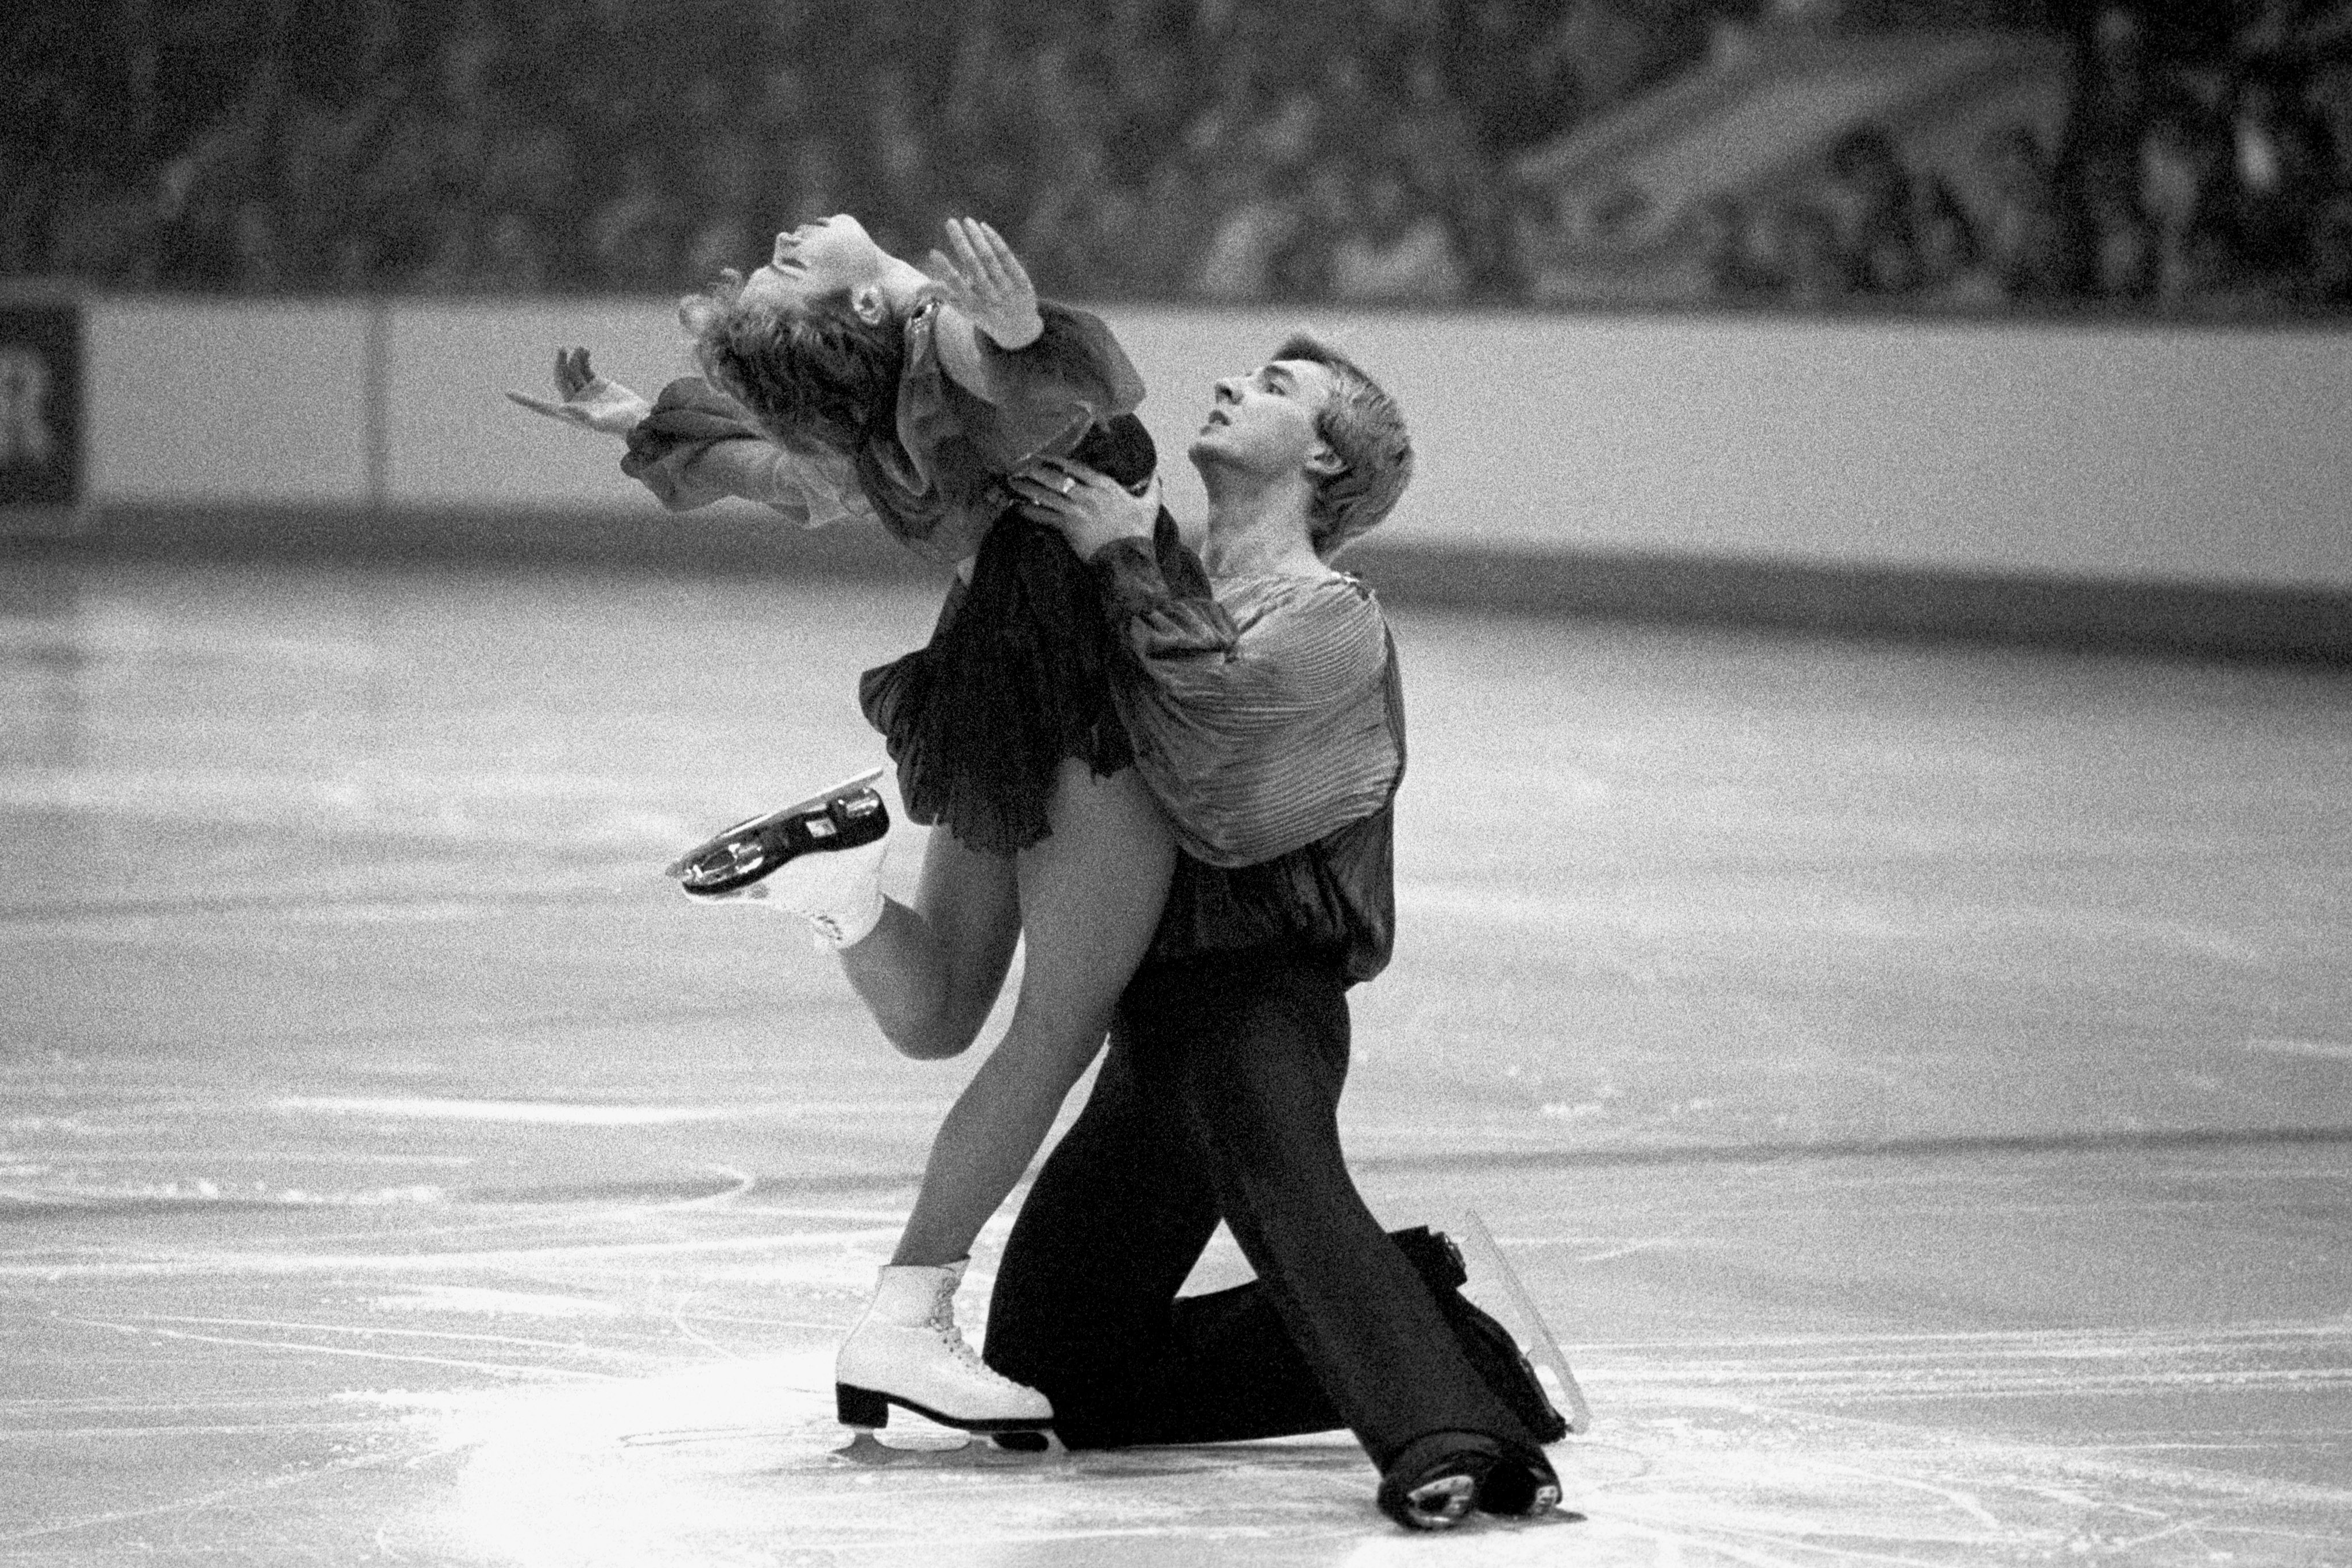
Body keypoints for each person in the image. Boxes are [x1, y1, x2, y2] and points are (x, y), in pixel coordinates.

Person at [509, 213, 1176, 1435]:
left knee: (935, 1013)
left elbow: (780, 477)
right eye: (792, 265)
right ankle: (906, 1314)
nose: (785, 234)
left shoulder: (877, 426)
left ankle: (842, 894)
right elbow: (1065, 392)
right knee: (1054, 1028)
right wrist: (1027, 335)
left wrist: (636, 424)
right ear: (867, 309)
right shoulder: (945, 337)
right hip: (1082, 676)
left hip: (988, 668)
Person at [981, 336, 1569, 1531]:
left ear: (1320, 457)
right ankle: (1435, 1327)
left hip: (1260, 993)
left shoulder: (1328, 615)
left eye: (1272, 390)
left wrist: (1123, 562)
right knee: (1051, 1369)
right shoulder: (1174, 588)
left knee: (1287, 1189)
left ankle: (1457, 1433)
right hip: (1155, 1017)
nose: (1229, 388)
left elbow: (1215, 769)